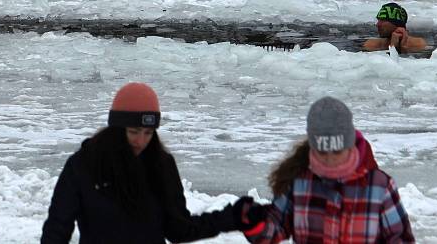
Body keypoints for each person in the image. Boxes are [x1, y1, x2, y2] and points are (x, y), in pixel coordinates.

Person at [41, 82, 257, 243]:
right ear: (116, 129)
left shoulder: (161, 165)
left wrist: (232, 217)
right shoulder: (83, 165)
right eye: (134, 132)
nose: (141, 141)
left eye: (148, 132)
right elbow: (57, 230)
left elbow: (178, 230)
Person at [235, 96, 414, 243]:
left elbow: (399, 238)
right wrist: (250, 219)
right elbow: (274, 227)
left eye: (337, 151)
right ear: (312, 147)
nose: (330, 159)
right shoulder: (300, 183)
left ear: (350, 145)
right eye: (322, 151)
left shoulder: (379, 186)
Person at [362, 2, 427, 53]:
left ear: (397, 24)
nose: (377, 24)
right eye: (378, 20)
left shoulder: (419, 44)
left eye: (383, 20)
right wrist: (393, 47)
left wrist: (403, 47)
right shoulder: (371, 44)